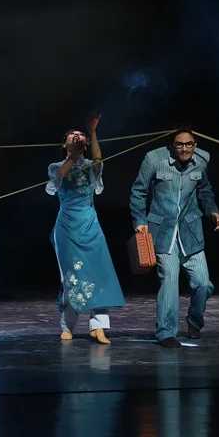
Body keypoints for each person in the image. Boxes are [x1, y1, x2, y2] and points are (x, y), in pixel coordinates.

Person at [129, 128, 219, 348]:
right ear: (172, 145)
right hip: (163, 232)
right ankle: (166, 333)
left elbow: (205, 190)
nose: (184, 149)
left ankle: (194, 321)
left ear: (195, 144)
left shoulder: (202, 160)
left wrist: (212, 211)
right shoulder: (154, 159)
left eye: (188, 144)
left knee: (203, 284)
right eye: (179, 144)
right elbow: (138, 191)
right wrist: (139, 220)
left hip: (190, 232)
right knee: (169, 280)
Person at [47, 113, 125, 344]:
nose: (77, 136)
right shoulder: (55, 167)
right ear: (65, 144)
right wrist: (74, 154)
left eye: (80, 134)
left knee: (99, 273)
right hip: (66, 227)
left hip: (90, 224)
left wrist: (92, 132)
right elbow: (62, 175)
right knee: (72, 276)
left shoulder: (90, 166)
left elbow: (99, 162)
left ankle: (98, 327)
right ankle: (67, 325)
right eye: (73, 135)